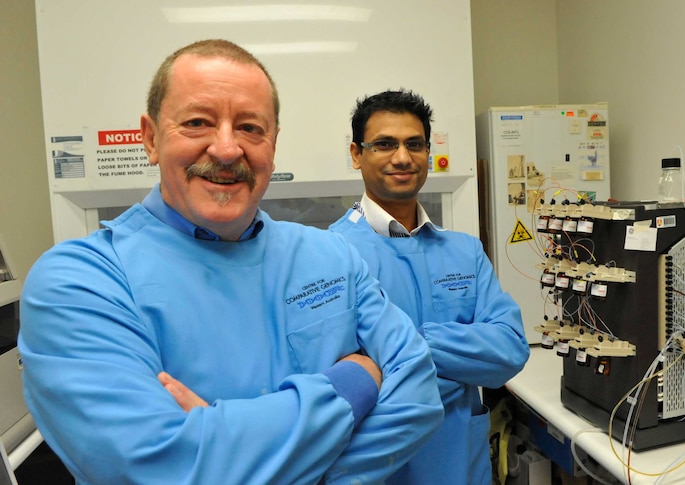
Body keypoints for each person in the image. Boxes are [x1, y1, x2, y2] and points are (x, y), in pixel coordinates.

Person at [18, 40, 443, 485]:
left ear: (273, 143)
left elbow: (417, 392)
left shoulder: (330, 255)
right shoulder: (79, 283)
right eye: (197, 122)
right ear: (150, 138)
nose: (226, 149)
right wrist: (355, 381)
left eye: (250, 129)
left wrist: (231, 448)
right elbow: (159, 468)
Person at [329, 89, 530, 484]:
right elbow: (336, 376)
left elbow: (508, 351)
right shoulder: (328, 255)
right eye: (384, 144)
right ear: (357, 154)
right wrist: (463, 354)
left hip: (458, 460)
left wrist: (397, 347)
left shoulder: (464, 251)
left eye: (414, 144)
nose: (402, 157)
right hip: (376, 468)